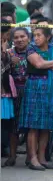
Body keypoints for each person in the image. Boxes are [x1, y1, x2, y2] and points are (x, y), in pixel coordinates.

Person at [19, 27, 53, 171]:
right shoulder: (31, 49)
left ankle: (42, 158)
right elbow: (38, 64)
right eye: (34, 35)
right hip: (35, 90)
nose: (36, 38)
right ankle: (32, 158)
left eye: (39, 35)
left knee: (46, 126)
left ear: (47, 37)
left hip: (52, 92)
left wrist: (47, 64)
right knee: (34, 126)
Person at [3, 28, 30, 167]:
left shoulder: (34, 52)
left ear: (28, 38)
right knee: (13, 125)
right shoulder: (9, 53)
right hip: (14, 92)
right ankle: (12, 156)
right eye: (16, 37)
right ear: (12, 40)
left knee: (31, 126)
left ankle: (31, 157)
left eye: (22, 37)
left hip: (32, 92)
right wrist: (9, 63)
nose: (19, 40)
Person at [1, 24, 18, 167]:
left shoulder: (6, 49)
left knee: (8, 124)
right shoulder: (5, 50)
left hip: (6, 91)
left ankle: (10, 154)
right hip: (3, 90)